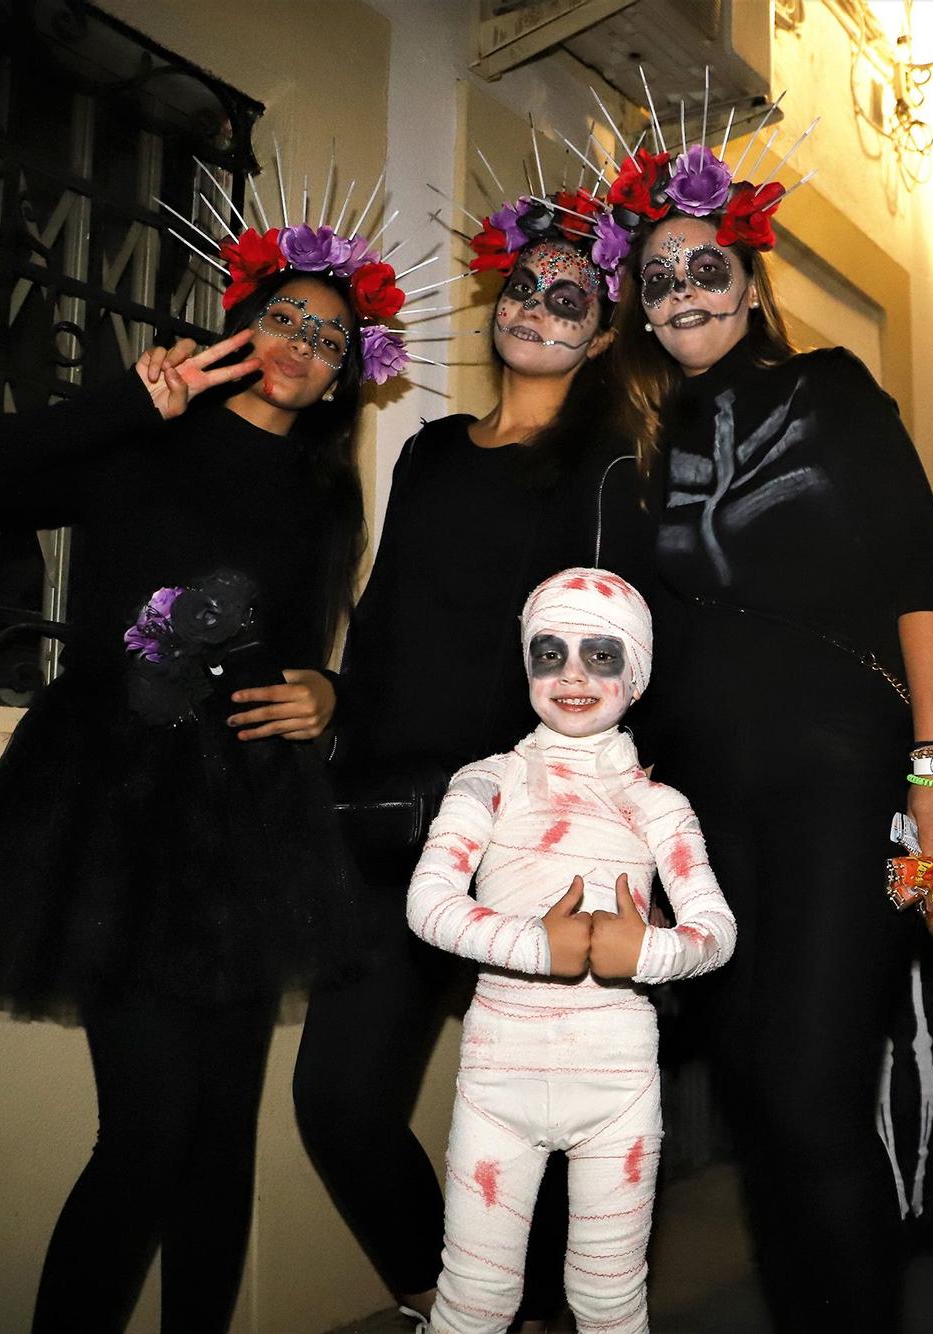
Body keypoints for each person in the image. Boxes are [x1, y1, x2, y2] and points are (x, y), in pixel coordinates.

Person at [0, 213, 411, 1329]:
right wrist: (121, 405)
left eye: (330, 339)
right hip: (113, 808)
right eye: (285, 318)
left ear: (343, 380)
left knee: (223, 1134)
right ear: (241, 327)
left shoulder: (327, 496)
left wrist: (331, 697)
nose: (303, 344)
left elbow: (327, 650)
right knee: (144, 1131)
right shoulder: (146, 435)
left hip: (251, 820)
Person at [598, 108, 933, 1330]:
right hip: (705, 804)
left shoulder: (830, 388)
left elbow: (920, 582)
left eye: (703, 264)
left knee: (815, 1091)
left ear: (750, 280)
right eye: (656, 278)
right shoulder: (638, 442)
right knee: (760, 1094)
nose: (681, 290)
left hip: (840, 778)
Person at [297, 183, 647, 1331]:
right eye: (524, 285)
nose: (538, 305)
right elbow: (391, 613)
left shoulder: (605, 468)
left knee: (547, 1108)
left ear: (600, 332)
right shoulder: (434, 452)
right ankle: (445, 1296)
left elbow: (609, 655)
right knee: (340, 1100)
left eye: (570, 294)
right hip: (390, 812)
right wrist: (335, 707)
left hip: (526, 825)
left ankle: (542, 1310)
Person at [405, 568, 735, 1334]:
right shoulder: (486, 782)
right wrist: (537, 944)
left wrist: (644, 952)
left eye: (602, 654)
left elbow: (715, 933)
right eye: (549, 652)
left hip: (617, 1084)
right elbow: (428, 905)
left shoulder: (660, 805)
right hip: (498, 1078)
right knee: (472, 1304)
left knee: (611, 1304)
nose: (574, 674)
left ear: (638, 673)